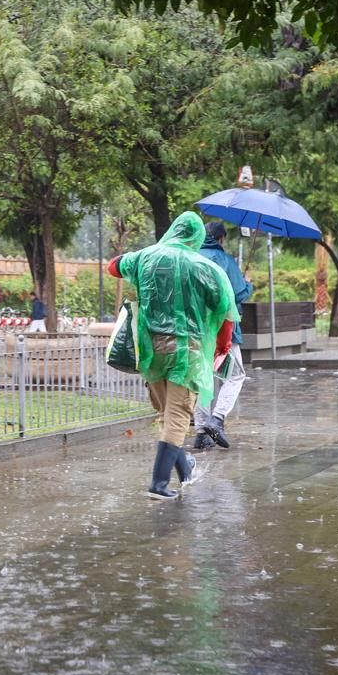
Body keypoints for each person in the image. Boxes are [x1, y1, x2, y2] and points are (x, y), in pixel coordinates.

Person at [108, 212, 239, 500]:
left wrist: (134, 259)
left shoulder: (145, 257)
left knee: (167, 414)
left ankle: (186, 467)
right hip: (187, 351)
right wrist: (222, 346)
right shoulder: (204, 267)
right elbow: (226, 311)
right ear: (195, 237)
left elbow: (113, 267)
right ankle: (158, 485)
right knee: (178, 416)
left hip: (151, 349)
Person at [193, 221, 254, 451]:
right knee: (236, 375)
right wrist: (248, 283)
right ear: (221, 239)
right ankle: (217, 419)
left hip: (196, 328)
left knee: (201, 378)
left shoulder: (191, 258)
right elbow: (238, 293)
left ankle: (201, 432)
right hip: (223, 329)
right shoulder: (226, 261)